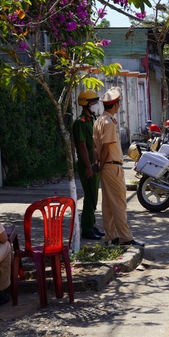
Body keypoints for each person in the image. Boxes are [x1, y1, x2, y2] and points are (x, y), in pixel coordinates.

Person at [93, 87, 143, 247]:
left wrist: (99, 164)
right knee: (120, 203)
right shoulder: (108, 122)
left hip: (107, 166)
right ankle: (125, 237)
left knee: (108, 204)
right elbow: (106, 148)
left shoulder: (100, 120)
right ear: (116, 105)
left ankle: (111, 236)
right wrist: (101, 165)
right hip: (111, 165)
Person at [72, 89, 103, 240]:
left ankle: (91, 224)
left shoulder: (91, 119)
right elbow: (82, 145)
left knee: (94, 197)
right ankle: (86, 228)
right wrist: (89, 166)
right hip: (86, 165)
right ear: (86, 104)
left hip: (93, 163)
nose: (96, 105)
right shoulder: (80, 122)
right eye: (94, 102)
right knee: (90, 197)